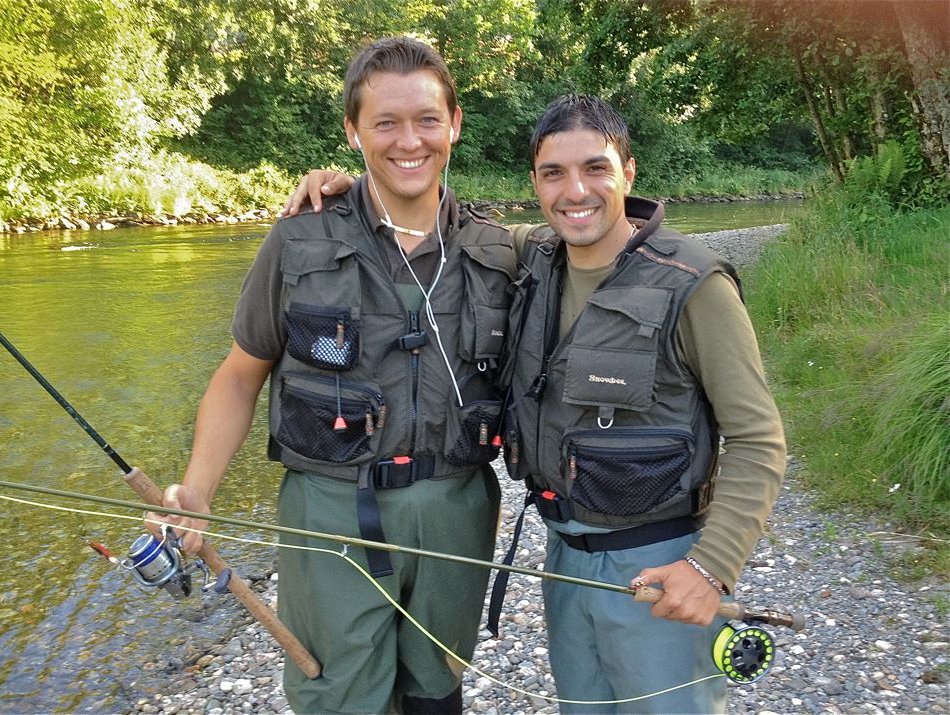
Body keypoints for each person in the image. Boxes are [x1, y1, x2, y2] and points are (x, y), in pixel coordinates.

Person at [288, 94, 786, 714]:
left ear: (628, 173)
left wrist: (710, 569)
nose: (576, 191)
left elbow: (758, 438)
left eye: (596, 168)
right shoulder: (531, 257)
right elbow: (429, 220)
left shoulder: (696, 287)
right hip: (563, 561)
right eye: (554, 174)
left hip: (661, 561)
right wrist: (351, 188)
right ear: (536, 185)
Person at [150, 36, 517, 714]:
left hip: (455, 514)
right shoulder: (296, 240)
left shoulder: (500, 249)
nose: (410, 141)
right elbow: (239, 374)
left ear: (455, 124)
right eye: (385, 122)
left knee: (438, 694)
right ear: (353, 131)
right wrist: (196, 489)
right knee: (342, 697)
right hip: (330, 513)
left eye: (427, 119)